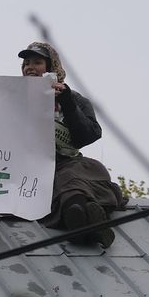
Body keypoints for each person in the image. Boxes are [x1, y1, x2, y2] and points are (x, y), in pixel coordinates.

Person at [18, 41, 125, 247]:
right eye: (26, 63)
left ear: (51, 68)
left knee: (89, 171)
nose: (30, 67)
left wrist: (67, 103)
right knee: (62, 182)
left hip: (67, 163)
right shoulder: (8, 96)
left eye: (37, 62)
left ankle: (77, 220)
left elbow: (89, 135)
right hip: (28, 167)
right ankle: (90, 223)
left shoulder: (74, 99)